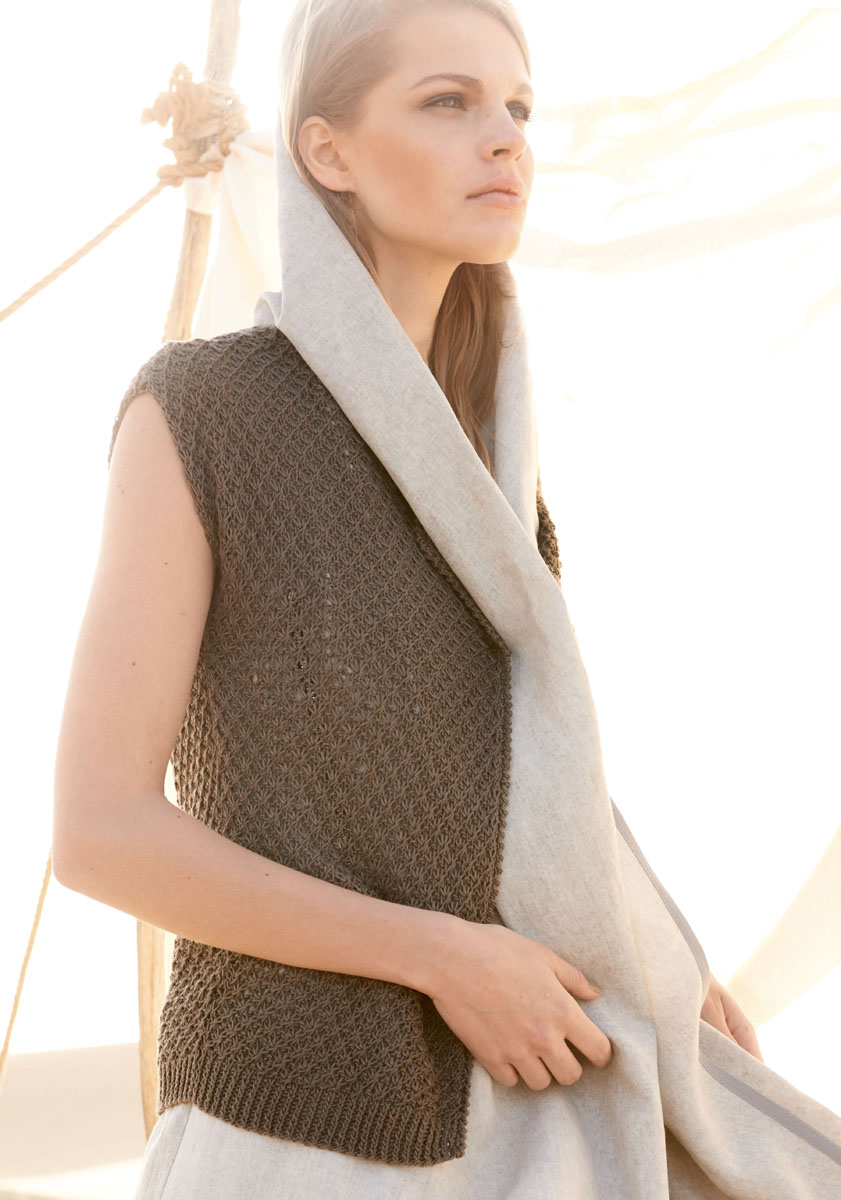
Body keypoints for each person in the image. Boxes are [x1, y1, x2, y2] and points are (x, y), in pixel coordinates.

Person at [52, 0, 841, 1196]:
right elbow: (100, 830)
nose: (506, 136)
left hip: (520, 1093)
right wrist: (444, 958)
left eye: (517, 106)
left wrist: (658, 957)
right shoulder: (206, 409)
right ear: (327, 152)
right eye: (447, 102)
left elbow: (520, 774)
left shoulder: (495, 464)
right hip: (303, 1121)